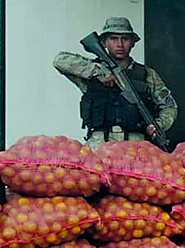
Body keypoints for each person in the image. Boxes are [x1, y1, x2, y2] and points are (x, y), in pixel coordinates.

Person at [53, 17, 177, 149]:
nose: (120, 44)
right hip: (99, 144)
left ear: (133, 43)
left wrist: (158, 125)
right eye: (113, 38)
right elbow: (60, 61)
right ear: (103, 42)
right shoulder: (90, 70)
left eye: (125, 39)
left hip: (136, 145)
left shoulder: (147, 74)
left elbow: (169, 106)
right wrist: (99, 72)